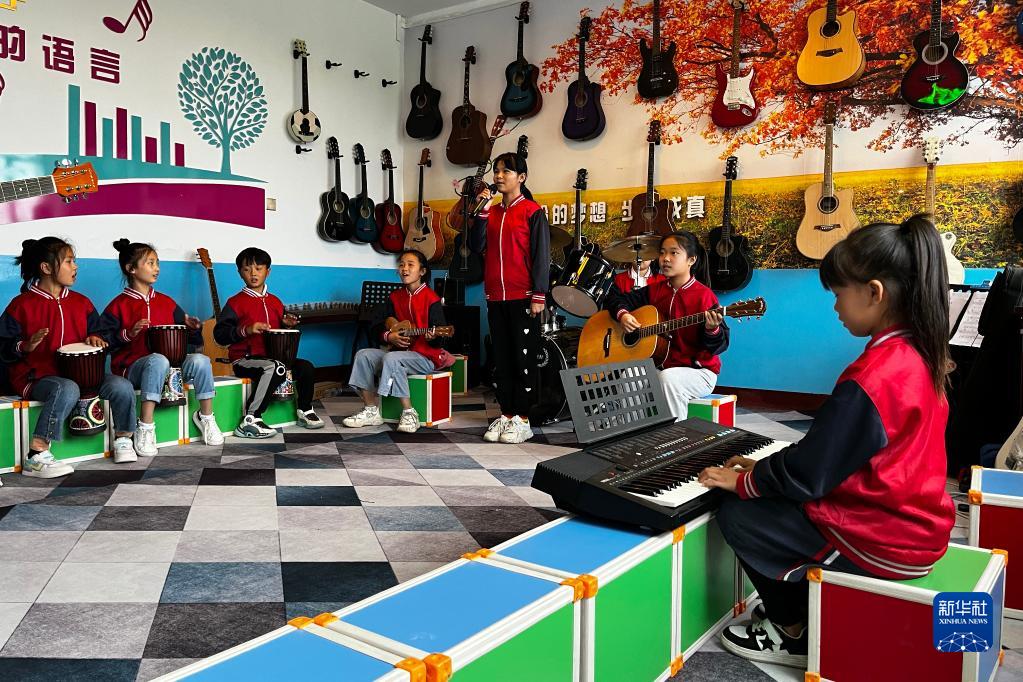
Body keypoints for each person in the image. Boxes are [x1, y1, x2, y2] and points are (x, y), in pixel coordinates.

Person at [699, 215, 956, 668]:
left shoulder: (875, 375)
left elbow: (809, 474)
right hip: (917, 528)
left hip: (884, 542)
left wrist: (744, 483)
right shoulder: (918, 354)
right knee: (771, 487)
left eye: (838, 294)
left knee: (739, 513)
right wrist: (763, 468)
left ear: (874, 292)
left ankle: (791, 630)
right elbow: (833, 453)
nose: (835, 306)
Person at [0, 237, 140, 477]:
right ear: (46, 268)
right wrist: (25, 345)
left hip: (82, 376)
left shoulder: (82, 303)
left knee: (121, 386)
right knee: (66, 388)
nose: (75, 267)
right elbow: (3, 346)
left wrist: (96, 338)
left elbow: (101, 332)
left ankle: (124, 439)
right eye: (68, 261)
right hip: (37, 378)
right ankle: (36, 454)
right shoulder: (21, 305)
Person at [103, 239, 223, 455]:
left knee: (201, 361)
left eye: (157, 263)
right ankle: (145, 426)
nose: (156, 268)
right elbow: (104, 343)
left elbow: (191, 341)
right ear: (131, 269)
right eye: (150, 263)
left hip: (171, 369)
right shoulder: (117, 306)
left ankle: (206, 417)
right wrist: (128, 334)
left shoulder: (167, 303)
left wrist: (193, 329)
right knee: (158, 359)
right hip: (133, 370)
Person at [605, 231, 728, 420]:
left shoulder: (704, 296)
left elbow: (721, 345)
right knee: (631, 375)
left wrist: (712, 330)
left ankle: (675, 436)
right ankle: (633, 433)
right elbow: (615, 300)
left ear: (691, 260)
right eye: (662, 253)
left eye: (673, 253)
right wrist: (623, 315)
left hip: (699, 372)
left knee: (668, 379)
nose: (665, 259)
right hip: (661, 366)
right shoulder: (655, 290)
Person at [472, 152, 551, 444]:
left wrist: (539, 294)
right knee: (502, 360)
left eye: (506, 171)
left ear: (522, 177)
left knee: (523, 358)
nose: (499, 176)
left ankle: (524, 418)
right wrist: (482, 212)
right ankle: (507, 414)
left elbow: (541, 255)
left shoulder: (532, 211)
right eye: (497, 170)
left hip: (524, 296)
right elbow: (476, 245)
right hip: (495, 296)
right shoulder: (490, 212)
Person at [214, 247, 323, 438]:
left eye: (258, 268)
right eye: (247, 269)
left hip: (273, 359)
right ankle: (251, 419)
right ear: (239, 273)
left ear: (268, 271)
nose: (253, 273)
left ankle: (305, 410)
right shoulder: (235, 303)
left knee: (306, 367)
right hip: (245, 360)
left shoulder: (275, 302)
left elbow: (277, 333)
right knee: (275, 367)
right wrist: (246, 330)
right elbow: (219, 335)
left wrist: (285, 324)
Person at [342, 249, 453, 433]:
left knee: (392, 359)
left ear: (422, 271)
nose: (404, 268)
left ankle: (410, 413)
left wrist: (433, 337)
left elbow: (440, 341)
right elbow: (376, 324)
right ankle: (371, 410)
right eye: (401, 264)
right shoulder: (394, 297)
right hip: (397, 355)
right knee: (364, 355)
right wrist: (389, 336)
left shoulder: (432, 299)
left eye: (410, 264)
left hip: (425, 358)